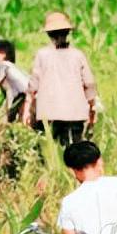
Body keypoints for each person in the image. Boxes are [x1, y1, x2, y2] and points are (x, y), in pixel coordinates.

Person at [26, 12, 98, 146]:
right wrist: (92, 109)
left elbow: (33, 87)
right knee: (73, 151)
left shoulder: (42, 55)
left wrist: (29, 110)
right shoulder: (78, 55)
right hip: (75, 114)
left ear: (49, 34)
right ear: (67, 33)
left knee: (49, 151)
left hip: (48, 113)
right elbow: (89, 84)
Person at [0, 39, 30, 123]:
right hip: (30, 95)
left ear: (2, 54)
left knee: (10, 122)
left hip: (23, 96)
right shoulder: (13, 68)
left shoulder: (0, 64)